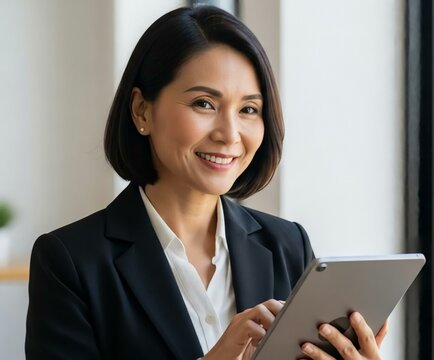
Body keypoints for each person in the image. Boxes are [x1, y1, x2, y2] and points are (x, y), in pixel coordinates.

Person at [25, 5, 387, 360]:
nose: (230, 134)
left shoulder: (287, 246)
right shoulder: (70, 262)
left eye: (248, 109)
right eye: (204, 103)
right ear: (141, 111)